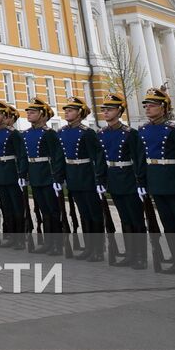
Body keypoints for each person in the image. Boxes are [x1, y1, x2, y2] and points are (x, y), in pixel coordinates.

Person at [139, 87, 175, 277]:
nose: (148, 108)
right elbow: (142, 158)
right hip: (156, 180)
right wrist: (142, 182)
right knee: (169, 224)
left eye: (152, 105)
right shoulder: (143, 130)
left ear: (163, 107)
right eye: (146, 105)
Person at [99, 92, 148, 269]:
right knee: (124, 219)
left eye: (109, 109)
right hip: (114, 179)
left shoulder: (130, 134)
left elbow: (139, 158)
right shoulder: (102, 134)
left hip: (128, 178)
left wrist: (141, 182)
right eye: (104, 109)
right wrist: (101, 180)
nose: (105, 112)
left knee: (136, 219)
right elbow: (100, 160)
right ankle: (130, 253)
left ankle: (141, 255)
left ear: (119, 111)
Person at [59, 97, 107, 261]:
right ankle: (89, 247)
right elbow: (61, 158)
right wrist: (61, 177)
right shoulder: (62, 132)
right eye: (66, 110)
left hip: (87, 176)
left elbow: (98, 157)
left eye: (70, 110)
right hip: (73, 176)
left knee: (94, 214)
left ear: (79, 113)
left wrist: (99, 178)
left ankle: (98, 249)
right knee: (83, 214)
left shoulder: (87, 133)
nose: (66, 112)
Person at [22, 98, 67, 255]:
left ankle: (57, 243)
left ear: (42, 115)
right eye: (28, 112)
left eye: (32, 112)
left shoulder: (50, 134)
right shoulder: (26, 134)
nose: (28, 114)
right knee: (43, 210)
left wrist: (57, 177)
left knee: (53, 210)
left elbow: (57, 156)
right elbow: (24, 157)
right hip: (35, 175)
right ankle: (48, 242)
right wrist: (24, 174)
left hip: (47, 175)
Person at [0, 103, 29, 249]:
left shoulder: (13, 133)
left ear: (5, 117)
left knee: (17, 207)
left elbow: (21, 155)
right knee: (6, 207)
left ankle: (20, 239)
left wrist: (22, 174)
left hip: (11, 172)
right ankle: (11, 237)